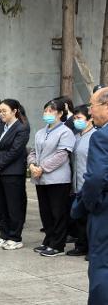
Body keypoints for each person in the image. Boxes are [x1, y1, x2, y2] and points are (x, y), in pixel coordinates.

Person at [71, 86, 108, 305]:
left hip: (105, 209)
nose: (90, 111)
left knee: (102, 263)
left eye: (92, 105)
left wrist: (89, 204)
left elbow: (95, 178)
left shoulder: (101, 136)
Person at [28, 99, 76, 257]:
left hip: (57, 179)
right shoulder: (40, 132)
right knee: (45, 212)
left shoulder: (65, 132)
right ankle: (49, 239)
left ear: (60, 113)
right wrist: (32, 165)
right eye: (45, 111)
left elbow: (62, 155)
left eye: (51, 111)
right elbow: (33, 151)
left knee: (58, 212)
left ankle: (58, 245)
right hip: (40, 178)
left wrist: (42, 168)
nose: (47, 114)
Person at [0, 99, 29, 250]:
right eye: (0, 111)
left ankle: (15, 237)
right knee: (2, 205)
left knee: (14, 206)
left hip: (13, 172)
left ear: (14, 111)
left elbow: (15, 151)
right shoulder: (0, 126)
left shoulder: (21, 128)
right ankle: (3, 234)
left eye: (4, 111)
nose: (1, 114)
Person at [67, 105, 93, 257]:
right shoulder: (75, 137)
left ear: (89, 119)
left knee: (91, 219)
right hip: (76, 184)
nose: (76, 121)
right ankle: (81, 245)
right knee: (79, 217)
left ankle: (92, 248)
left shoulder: (96, 136)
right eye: (75, 118)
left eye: (79, 118)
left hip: (89, 183)